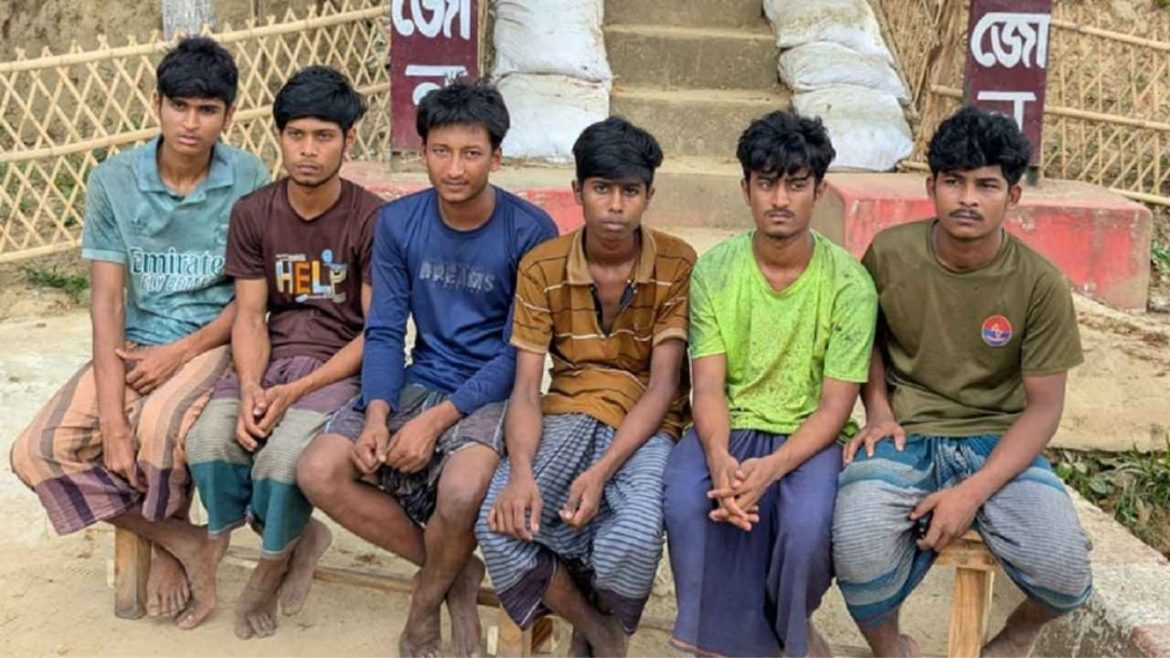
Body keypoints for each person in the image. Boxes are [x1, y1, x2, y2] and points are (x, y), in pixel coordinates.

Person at [9, 36, 268, 628]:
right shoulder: (114, 181)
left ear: (228, 115)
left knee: (160, 428)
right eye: (179, 106)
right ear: (157, 104)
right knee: (35, 451)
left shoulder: (247, 176)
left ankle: (171, 552)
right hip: (135, 341)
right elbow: (106, 304)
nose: (191, 123)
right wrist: (112, 422)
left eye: (207, 110)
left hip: (213, 339)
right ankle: (181, 540)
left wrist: (179, 353)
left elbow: (252, 302)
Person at [295, 80, 557, 657]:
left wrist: (434, 422)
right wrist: (377, 415)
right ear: (422, 152)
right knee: (318, 470)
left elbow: (517, 353)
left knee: (461, 493)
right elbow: (386, 330)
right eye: (441, 151)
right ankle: (453, 571)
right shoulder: (398, 222)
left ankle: (422, 606)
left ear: (497, 156)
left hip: (492, 391)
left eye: (471, 153)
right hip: (421, 376)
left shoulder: (530, 230)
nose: (455, 169)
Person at [832, 105, 1093, 658]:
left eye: (986, 185)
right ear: (931, 186)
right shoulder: (890, 253)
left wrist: (971, 494)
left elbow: (1044, 409)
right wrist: (877, 409)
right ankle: (889, 646)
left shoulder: (1040, 283)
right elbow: (865, 340)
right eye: (953, 181)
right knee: (854, 542)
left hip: (999, 442)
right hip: (908, 434)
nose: (967, 199)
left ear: (1013, 195)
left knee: (1065, 571)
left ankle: (1014, 639)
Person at [476, 116, 696, 658]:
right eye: (601, 189)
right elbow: (526, 388)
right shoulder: (542, 266)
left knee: (635, 534)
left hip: (649, 424)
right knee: (498, 520)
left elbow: (664, 387)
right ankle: (596, 627)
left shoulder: (678, 262)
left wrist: (600, 472)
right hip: (567, 410)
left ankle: (600, 619)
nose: (615, 206)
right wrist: (521, 473)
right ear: (577, 191)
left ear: (648, 196)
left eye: (630, 191)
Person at [663, 109, 877, 658]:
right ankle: (740, 642)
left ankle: (784, 634)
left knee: (806, 529)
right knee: (688, 501)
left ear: (820, 191)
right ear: (745, 189)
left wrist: (773, 468)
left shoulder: (850, 285)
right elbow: (709, 387)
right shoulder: (715, 271)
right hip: (729, 425)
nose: (780, 199)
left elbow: (834, 409)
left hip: (809, 438)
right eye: (766, 183)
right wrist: (718, 458)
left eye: (796, 184)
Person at [183, 66, 381, 638]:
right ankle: (299, 537)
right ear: (280, 137)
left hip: (339, 368)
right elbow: (249, 315)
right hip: (270, 359)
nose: (308, 151)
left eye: (323, 137)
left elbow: (377, 332)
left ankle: (269, 567)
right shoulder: (255, 212)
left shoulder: (372, 218)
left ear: (348, 140)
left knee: (283, 458)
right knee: (209, 440)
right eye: (296, 135)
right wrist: (251, 386)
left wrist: (296, 391)